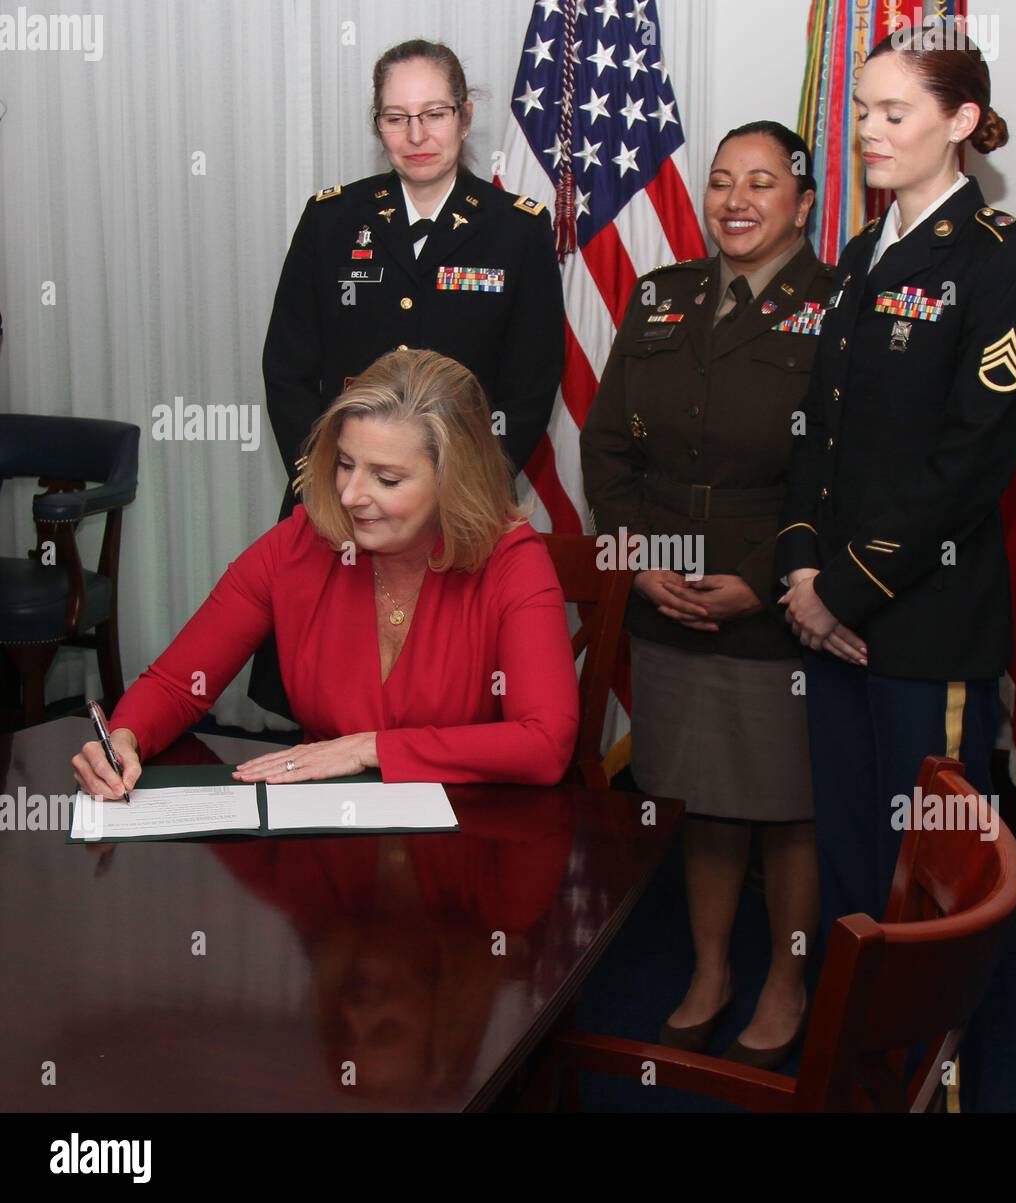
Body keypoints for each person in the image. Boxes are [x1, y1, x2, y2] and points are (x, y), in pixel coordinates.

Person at [778, 24, 1016, 932]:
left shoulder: (1001, 258)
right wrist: (803, 573)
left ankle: (932, 1077)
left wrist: (845, 594)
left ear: (962, 119)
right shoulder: (861, 254)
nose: (868, 129)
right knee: (853, 861)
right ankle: (849, 1066)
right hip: (831, 617)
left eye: (894, 112)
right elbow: (816, 431)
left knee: (934, 883)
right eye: (862, 110)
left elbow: (971, 461)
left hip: (924, 625)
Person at [582, 122, 833, 1070]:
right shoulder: (661, 297)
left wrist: (766, 584)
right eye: (722, 180)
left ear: (802, 204)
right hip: (667, 594)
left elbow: (851, 475)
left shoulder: (839, 304)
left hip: (779, 604)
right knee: (705, 800)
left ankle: (787, 980)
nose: (736, 198)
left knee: (787, 806)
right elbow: (608, 447)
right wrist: (634, 555)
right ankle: (712, 967)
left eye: (762, 182)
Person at [72, 350, 578, 798]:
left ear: (454, 481)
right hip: (326, 840)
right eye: (344, 464)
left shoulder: (512, 562)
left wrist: (372, 749)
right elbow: (179, 684)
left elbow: (544, 742)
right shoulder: (301, 544)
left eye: (386, 478)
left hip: (469, 846)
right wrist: (123, 738)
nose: (350, 495)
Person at [253, 38, 565, 720]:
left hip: (460, 521)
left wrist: (468, 495)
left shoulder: (516, 231)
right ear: (377, 124)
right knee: (324, 705)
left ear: (465, 114)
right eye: (396, 117)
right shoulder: (333, 219)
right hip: (342, 505)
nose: (417, 135)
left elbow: (531, 386)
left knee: (445, 711)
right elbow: (289, 369)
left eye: (435, 113)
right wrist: (332, 486)